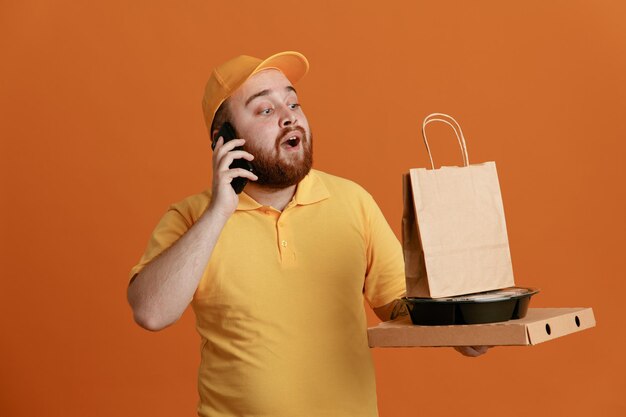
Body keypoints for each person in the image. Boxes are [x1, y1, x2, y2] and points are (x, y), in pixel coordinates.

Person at [127, 51, 487, 417]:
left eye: (293, 102)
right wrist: (220, 211)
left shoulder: (352, 201)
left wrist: (466, 328)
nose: (289, 117)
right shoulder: (192, 218)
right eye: (265, 110)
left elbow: (402, 306)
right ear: (225, 140)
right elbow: (151, 312)